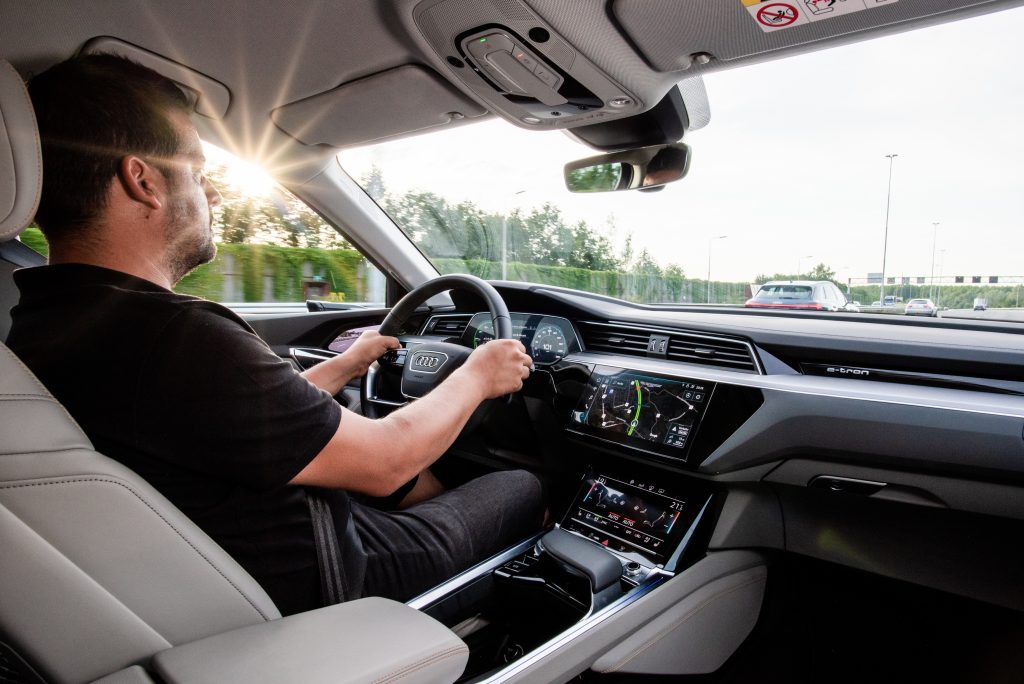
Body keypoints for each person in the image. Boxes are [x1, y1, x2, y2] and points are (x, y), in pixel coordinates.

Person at [7, 54, 545, 616]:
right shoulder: (174, 335)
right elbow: (387, 459)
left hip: (218, 568)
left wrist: (345, 365)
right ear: (142, 181)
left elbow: (230, 420)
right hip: (333, 582)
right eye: (196, 171)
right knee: (520, 487)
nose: (212, 194)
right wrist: (480, 373)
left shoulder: (43, 322)